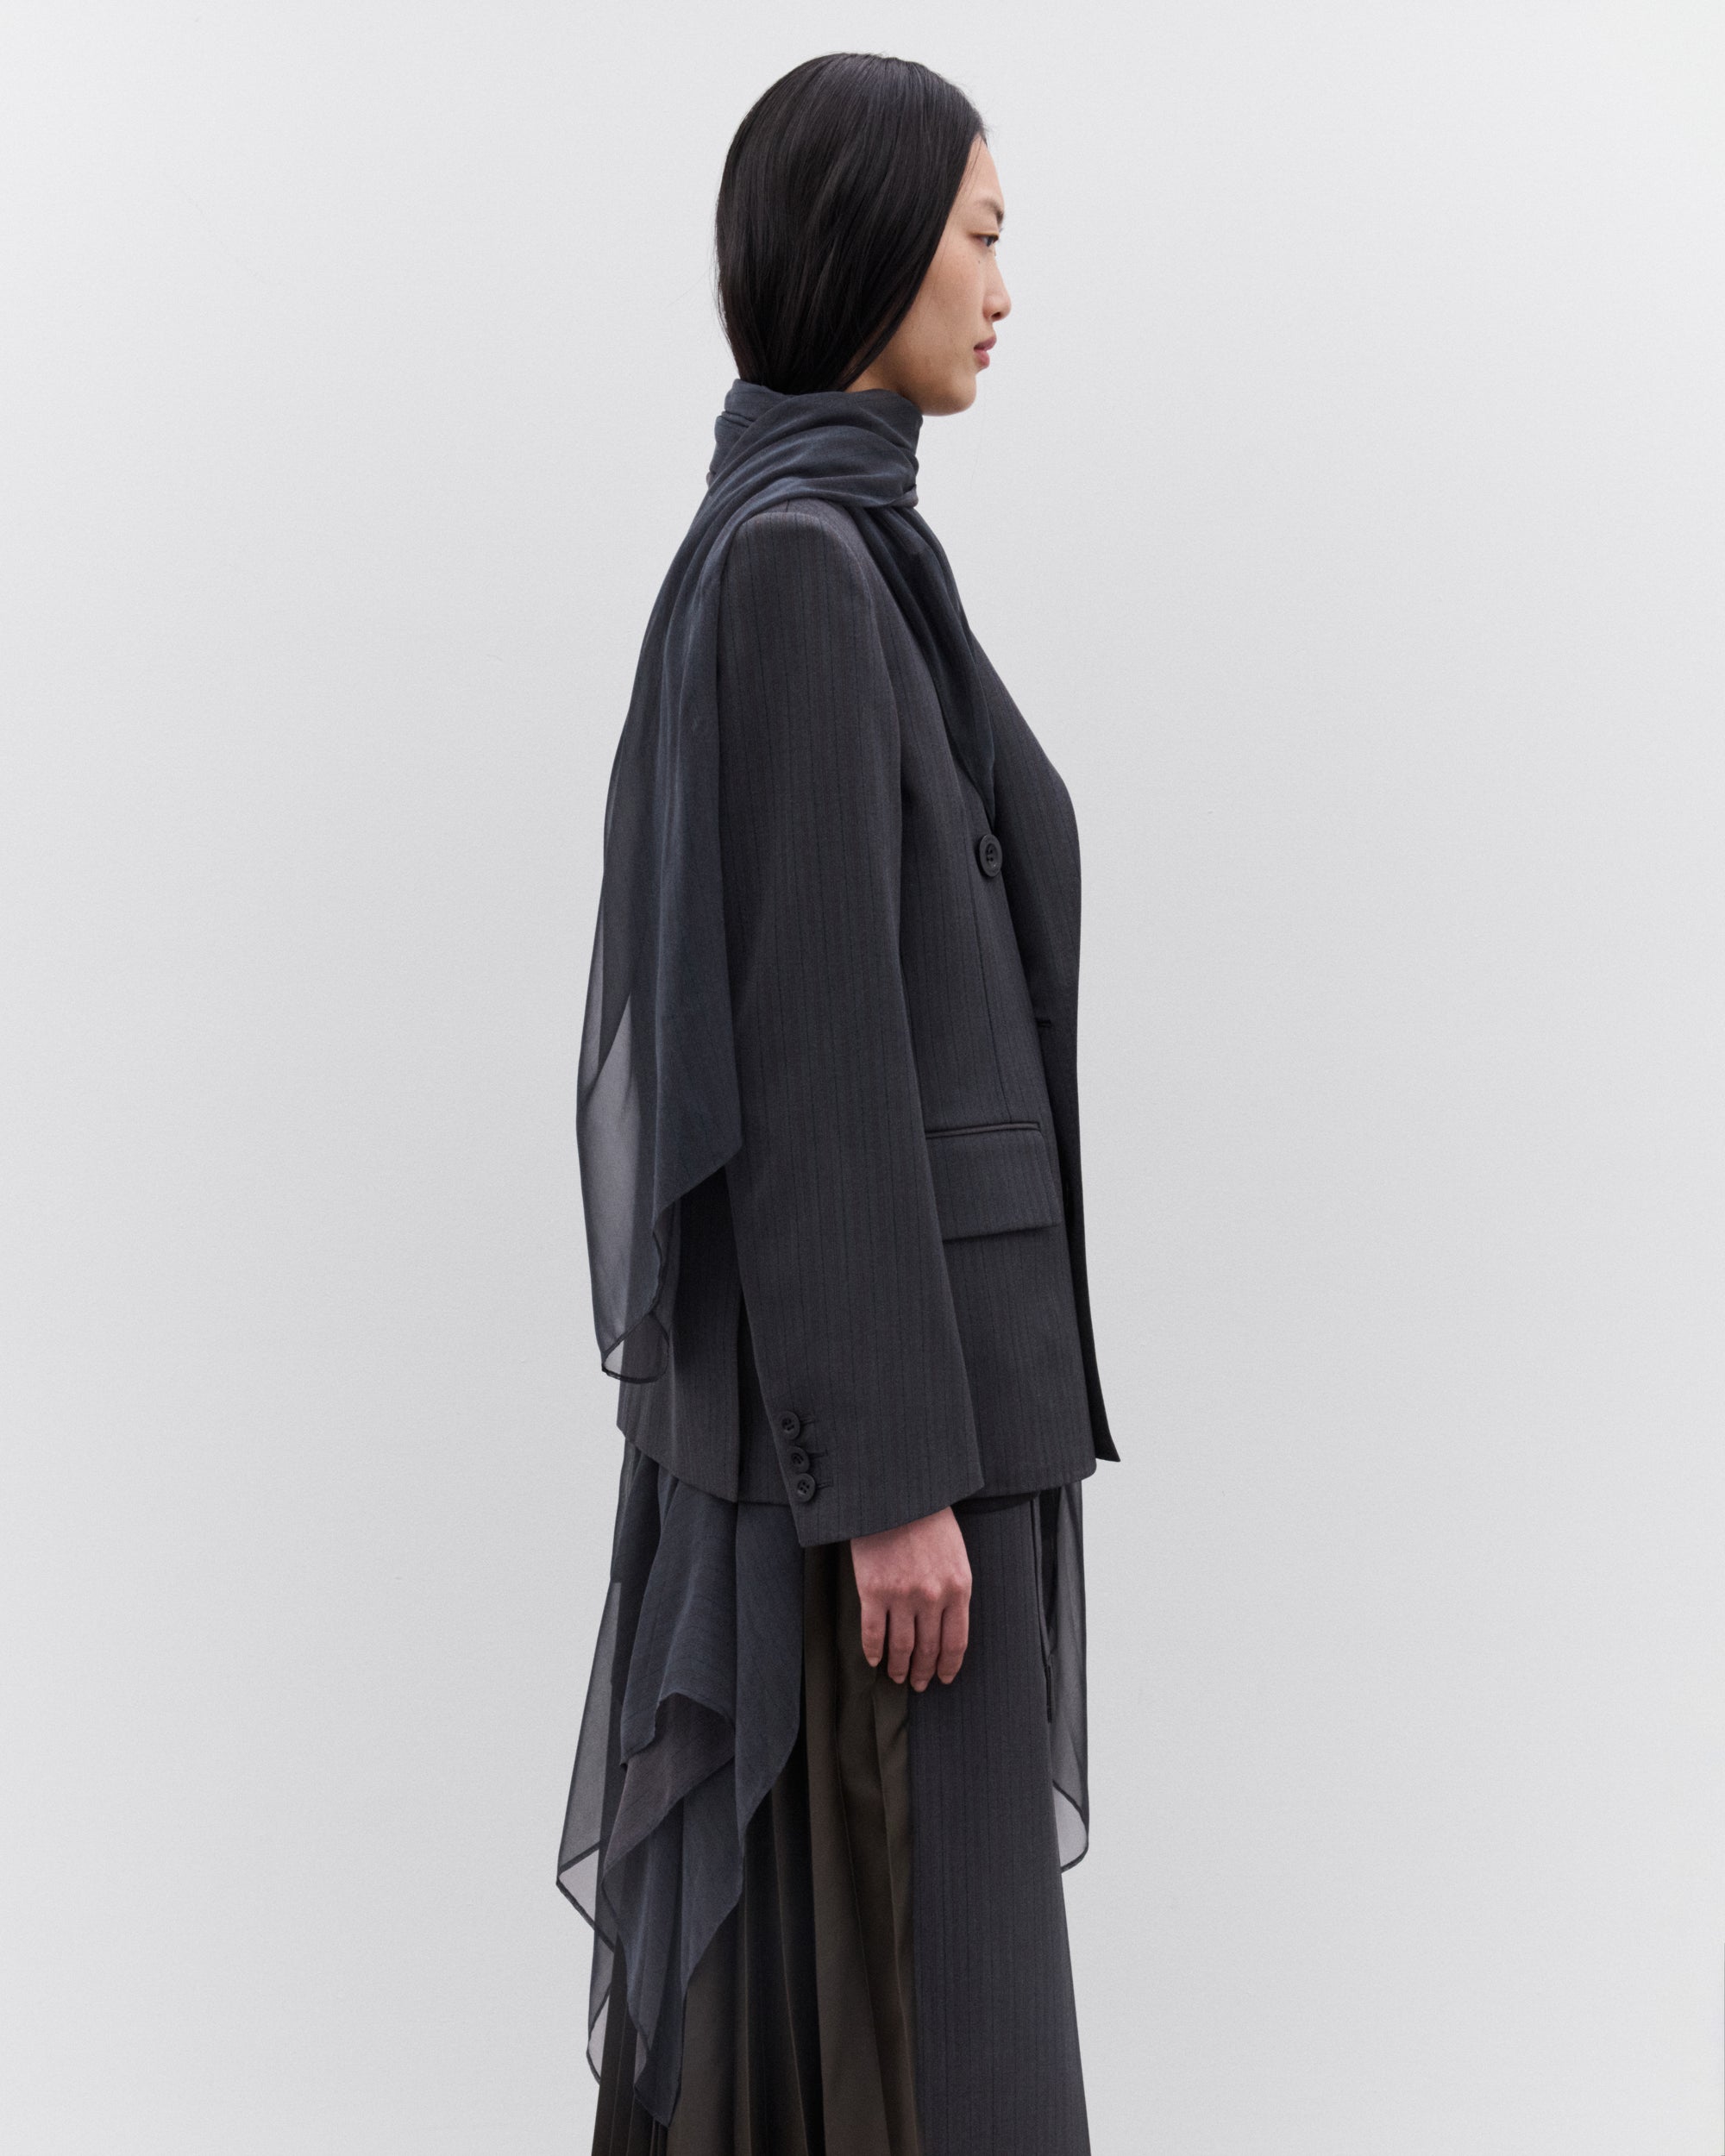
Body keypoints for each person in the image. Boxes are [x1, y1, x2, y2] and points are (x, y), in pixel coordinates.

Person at [559, 51, 1117, 2156]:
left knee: (905, 2020)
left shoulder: (848, 548)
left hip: (926, 1429)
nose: (1004, 289)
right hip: (893, 1470)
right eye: (980, 236)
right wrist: (887, 1480)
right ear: (876, 246)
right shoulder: (801, 565)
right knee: (918, 2034)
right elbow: (808, 1043)